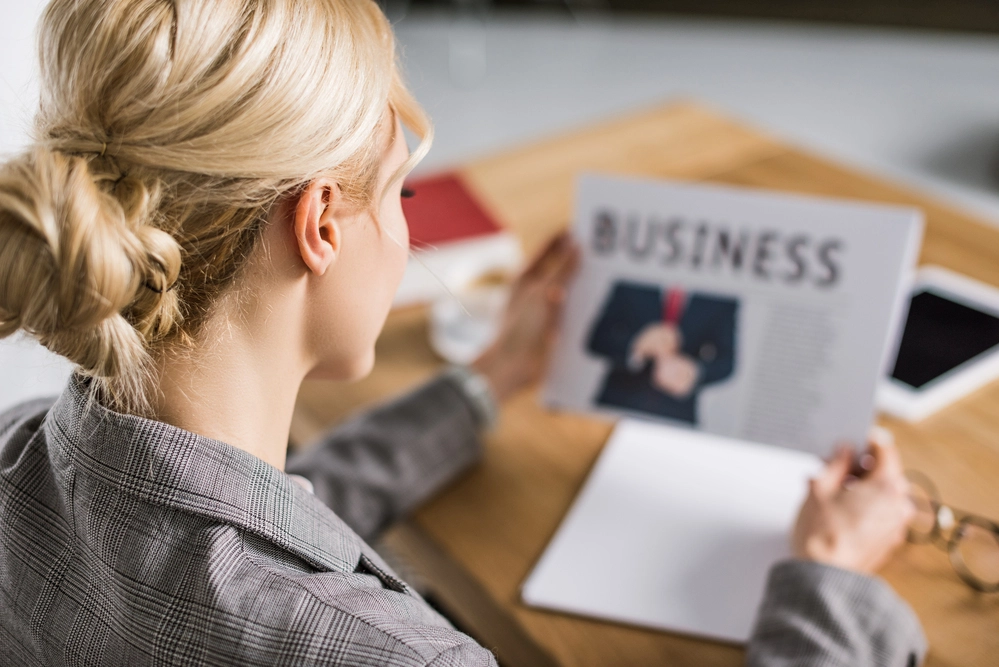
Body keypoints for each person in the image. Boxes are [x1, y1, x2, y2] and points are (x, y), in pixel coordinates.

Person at [0, 1, 924, 665]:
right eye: (398, 190)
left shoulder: (21, 461)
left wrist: (489, 378)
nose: (406, 227)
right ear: (319, 224)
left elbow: (236, 527)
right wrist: (830, 580)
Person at [587, 280, 738, 424]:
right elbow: (597, 339)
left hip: (677, 413)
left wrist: (694, 372)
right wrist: (635, 344)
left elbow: (726, 361)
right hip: (618, 401)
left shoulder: (723, 297)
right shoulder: (629, 284)